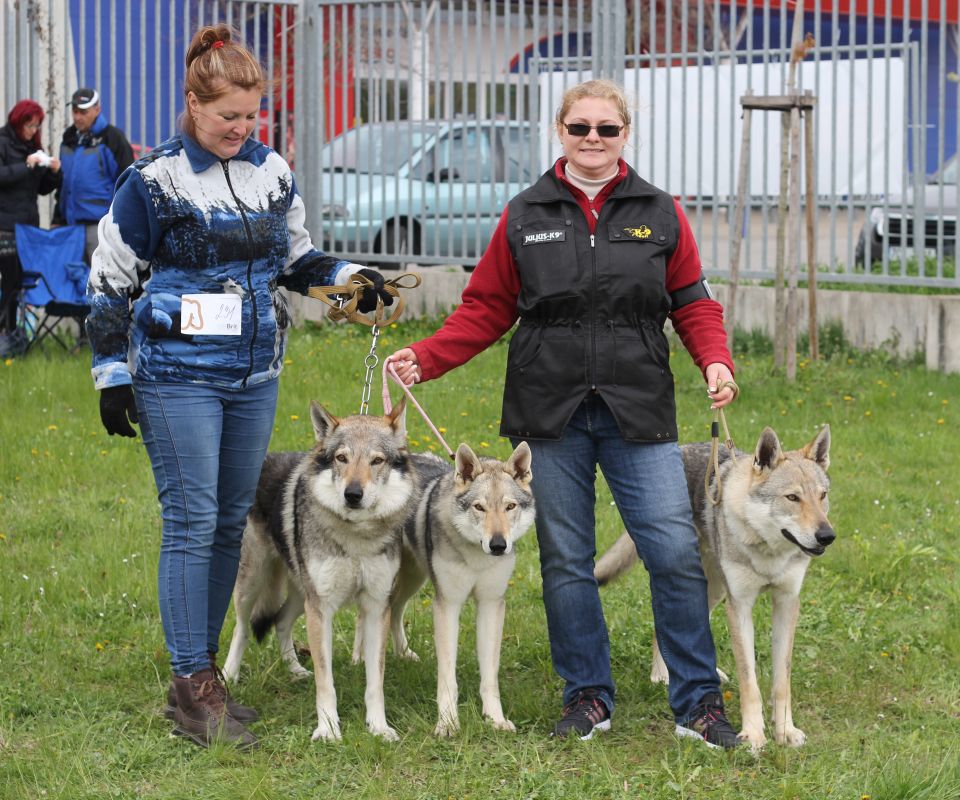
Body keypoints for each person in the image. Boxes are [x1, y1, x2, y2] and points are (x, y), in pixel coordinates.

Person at [387, 79, 742, 748]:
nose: (593, 140)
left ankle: (698, 702)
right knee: (566, 559)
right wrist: (426, 359)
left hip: (639, 409)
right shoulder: (526, 212)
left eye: (607, 129)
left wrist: (714, 359)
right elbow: (486, 307)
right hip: (549, 413)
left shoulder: (659, 212)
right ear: (560, 130)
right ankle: (587, 696)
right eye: (580, 127)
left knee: (672, 550)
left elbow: (693, 300)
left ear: (624, 136)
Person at [85, 23, 392, 750]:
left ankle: (203, 679)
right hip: (176, 378)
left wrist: (351, 282)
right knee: (192, 522)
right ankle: (192, 684)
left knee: (229, 520)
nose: (241, 129)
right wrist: (111, 373)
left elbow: (296, 258)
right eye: (228, 116)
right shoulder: (152, 181)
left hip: (255, 374)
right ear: (192, 105)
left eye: (252, 116)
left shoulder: (271, 170)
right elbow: (108, 281)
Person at [0, 100, 60, 354]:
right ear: (18, 121)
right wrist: (26, 165)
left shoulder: (34, 147)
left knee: (19, 285)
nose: (32, 130)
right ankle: (7, 334)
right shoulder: (3, 142)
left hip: (28, 228)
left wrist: (54, 172)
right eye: (29, 124)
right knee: (10, 283)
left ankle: (14, 337)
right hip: (5, 227)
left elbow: (42, 188)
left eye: (36, 126)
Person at [53, 86, 134, 263]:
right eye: (74, 111)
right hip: (70, 226)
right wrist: (57, 217)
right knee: (71, 283)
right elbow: (63, 182)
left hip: (100, 226)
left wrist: (120, 224)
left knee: (101, 281)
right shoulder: (68, 138)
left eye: (83, 111)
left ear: (97, 109)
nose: (77, 117)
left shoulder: (112, 138)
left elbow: (127, 183)